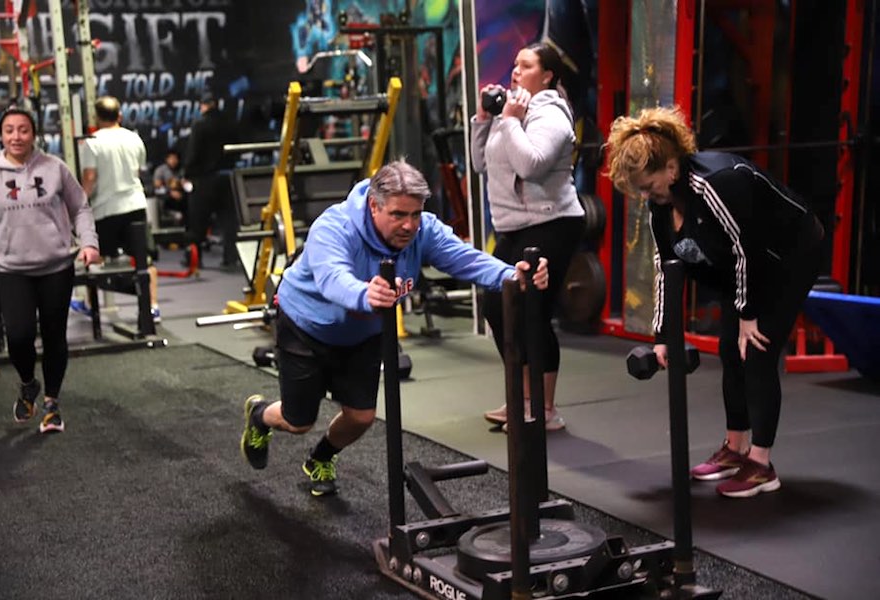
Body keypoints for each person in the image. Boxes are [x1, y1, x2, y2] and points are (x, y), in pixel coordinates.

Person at [238, 159, 550, 497]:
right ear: (374, 206)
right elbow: (332, 277)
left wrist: (511, 275)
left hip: (364, 332)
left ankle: (321, 458)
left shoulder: (424, 231)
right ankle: (259, 415)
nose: (409, 225)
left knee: (361, 417)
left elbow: (466, 259)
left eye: (415, 214)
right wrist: (364, 293)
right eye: (398, 215)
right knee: (298, 421)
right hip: (306, 325)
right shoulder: (334, 226)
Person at [605, 105, 825, 498]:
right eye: (639, 189)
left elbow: (747, 249)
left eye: (648, 185)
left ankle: (761, 465)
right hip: (742, 265)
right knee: (728, 349)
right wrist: (662, 336)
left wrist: (748, 315)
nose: (645, 195)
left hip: (789, 255)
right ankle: (735, 449)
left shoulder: (716, 184)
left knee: (756, 349)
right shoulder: (660, 207)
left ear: (671, 168)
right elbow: (666, 268)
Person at [470, 42, 585, 431]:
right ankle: (521, 398)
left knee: (532, 311)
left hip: (552, 223)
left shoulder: (551, 114)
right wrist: (483, 119)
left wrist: (509, 121)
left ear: (548, 75)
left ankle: (545, 407)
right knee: (496, 307)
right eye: (515, 64)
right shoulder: (513, 110)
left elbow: (531, 166)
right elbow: (479, 162)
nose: (515, 71)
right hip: (514, 226)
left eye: (526, 65)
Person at [0, 106, 100, 432]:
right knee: (19, 336)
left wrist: (89, 243)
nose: (16, 136)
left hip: (56, 266)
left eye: (23, 129)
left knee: (53, 336)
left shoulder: (55, 167)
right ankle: (28, 383)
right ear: (1, 135)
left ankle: (51, 402)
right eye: (9, 130)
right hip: (12, 268)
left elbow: (80, 208)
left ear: (34, 134)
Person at [77, 96, 160, 322]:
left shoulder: (92, 142)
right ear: (120, 115)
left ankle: (89, 304)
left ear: (96, 118)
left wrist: (80, 204)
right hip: (135, 205)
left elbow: (90, 177)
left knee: (96, 258)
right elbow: (138, 170)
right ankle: (153, 307)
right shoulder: (134, 138)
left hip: (106, 209)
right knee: (144, 259)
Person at [183, 92, 239, 269]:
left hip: (205, 179)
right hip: (227, 177)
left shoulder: (200, 124)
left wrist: (187, 173)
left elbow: (194, 151)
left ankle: (194, 259)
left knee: (197, 221)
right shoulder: (230, 124)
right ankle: (231, 258)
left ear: (204, 105)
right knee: (229, 221)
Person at [152, 148, 189, 226]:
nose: (173, 161)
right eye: (171, 158)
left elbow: (186, 183)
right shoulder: (160, 170)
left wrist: (184, 185)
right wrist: (169, 192)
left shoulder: (182, 170)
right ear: (167, 159)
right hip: (165, 195)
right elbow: (157, 186)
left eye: (175, 158)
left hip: (180, 194)